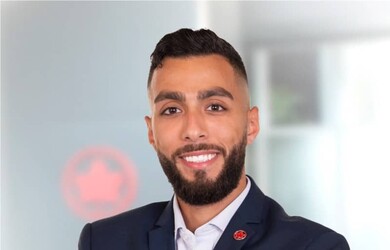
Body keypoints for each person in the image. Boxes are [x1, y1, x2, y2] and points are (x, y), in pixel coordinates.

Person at [78, 28, 349, 250]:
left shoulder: (315, 246)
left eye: (215, 107)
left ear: (250, 125)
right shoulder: (103, 241)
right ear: (152, 132)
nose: (193, 130)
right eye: (172, 110)